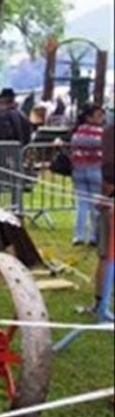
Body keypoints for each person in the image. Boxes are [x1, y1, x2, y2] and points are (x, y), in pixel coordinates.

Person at [70, 103, 105, 246]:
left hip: (78, 170)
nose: (102, 118)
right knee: (96, 205)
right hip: (96, 169)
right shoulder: (101, 133)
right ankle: (94, 236)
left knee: (82, 204)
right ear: (89, 117)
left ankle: (79, 235)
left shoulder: (77, 132)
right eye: (99, 115)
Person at [94, 120, 114, 319]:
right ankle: (101, 303)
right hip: (111, 201)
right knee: (107, 254)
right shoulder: (110, 132)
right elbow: (109, 169)